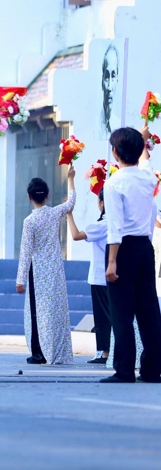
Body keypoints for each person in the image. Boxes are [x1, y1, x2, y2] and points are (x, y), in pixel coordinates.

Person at [101, 126, 161, 383]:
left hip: (122, 249)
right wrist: (144, 140)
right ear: (139, 151)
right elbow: (146, 163)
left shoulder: (114, 183)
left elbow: (114, 226)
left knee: (121, 312)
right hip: (145, 249)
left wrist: (112, 261)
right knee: (149, 310)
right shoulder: (149, 178)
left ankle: (124, 369)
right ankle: (152, 369)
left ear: (114, 152)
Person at [15, 171, 76, 365]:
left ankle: (39, 352)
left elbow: (25, 252)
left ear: (29, 197)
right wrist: (71, 179)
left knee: (36, 311)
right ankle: (56, 349)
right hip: (55, 268)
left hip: (38, 271)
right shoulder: (54, 212)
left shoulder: (30, 221)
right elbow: (71, 202)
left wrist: (20, 279)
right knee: (54, 310)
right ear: (47, 195)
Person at [67, 190, 111, 365]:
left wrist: (69, 215)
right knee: (108, 316)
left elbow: (76, 235)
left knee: (102, 318)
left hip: (100, 277)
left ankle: (105, 352)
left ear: (101, 203)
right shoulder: (117, 223)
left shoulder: (100, 225)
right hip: (110, 276)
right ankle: (106, 351)